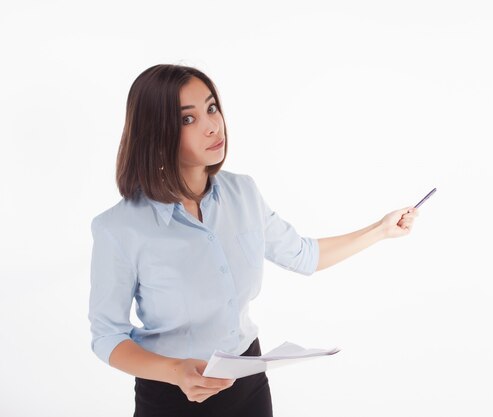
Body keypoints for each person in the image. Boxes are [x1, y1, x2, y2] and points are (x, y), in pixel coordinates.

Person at [88, 63, 419, 417]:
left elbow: (303, 255)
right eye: (188, 119)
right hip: (172, 395)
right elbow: (108, 337)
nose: (213, 125)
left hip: (248, 384)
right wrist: (173, 371)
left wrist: (380, 230)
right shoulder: (119, 228)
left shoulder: (243, 192)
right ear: (156, 132)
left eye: (211, 107)